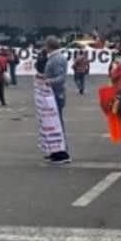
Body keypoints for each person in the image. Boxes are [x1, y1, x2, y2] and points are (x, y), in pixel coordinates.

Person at [40, 36, 71, 164]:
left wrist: (48, 81)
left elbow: (61, 77)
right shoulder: (55, 58)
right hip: (54, 94)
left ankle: (62, 152)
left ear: (49, 46)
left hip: (56, 94)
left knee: (57, 123)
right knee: (53, 123)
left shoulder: (56, 59)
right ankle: (55, 150)